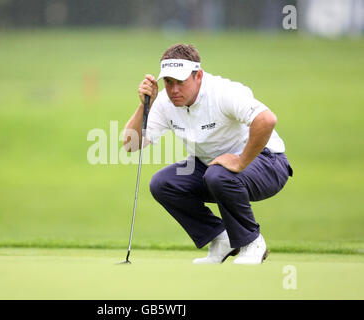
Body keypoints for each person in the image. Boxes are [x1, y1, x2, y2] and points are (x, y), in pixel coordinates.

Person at [123, 44, 293, 265]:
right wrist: (144, 105)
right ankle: (221, 238)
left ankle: (252, 242)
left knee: (218, 174)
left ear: (198, 75)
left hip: (268, 162)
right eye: (168, 82)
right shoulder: (165, 102)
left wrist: (241, 161)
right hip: (213, 169)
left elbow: (267, 119)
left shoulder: (222, 92)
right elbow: (130, 144)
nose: (174, 89)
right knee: (163, 183)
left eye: (181, 82)